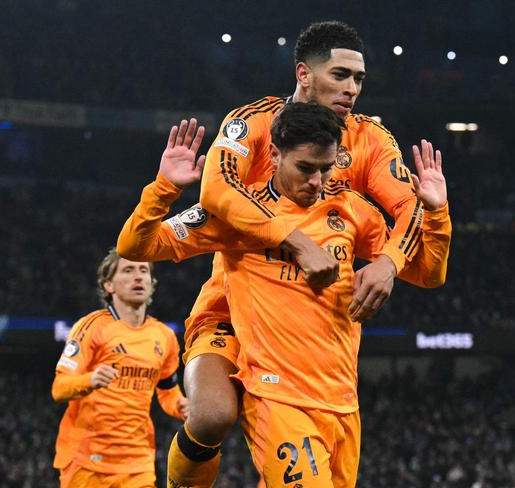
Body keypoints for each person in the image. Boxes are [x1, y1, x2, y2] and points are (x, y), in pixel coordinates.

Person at [162, 20, 452, 487]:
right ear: (303, 74)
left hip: (305, 320)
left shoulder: (370, 141)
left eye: (358, 79)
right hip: (233, 304)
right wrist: (293, 239)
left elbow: (412, 208)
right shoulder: (254, 122)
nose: (352, 89)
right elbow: (215, 191)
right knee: (213, 415)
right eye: (340, 75)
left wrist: (388, 262)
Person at [51, 250, 189, 488]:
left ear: (151, 284)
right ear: (109, 286)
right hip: (88, 462)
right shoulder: (91, 327)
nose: (138, 277)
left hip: (138, 465)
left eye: (144, 270)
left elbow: (167, 391)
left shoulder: (164, 337)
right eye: (128, 270)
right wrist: (90, 380)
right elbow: (59, 388)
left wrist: (181, 406)